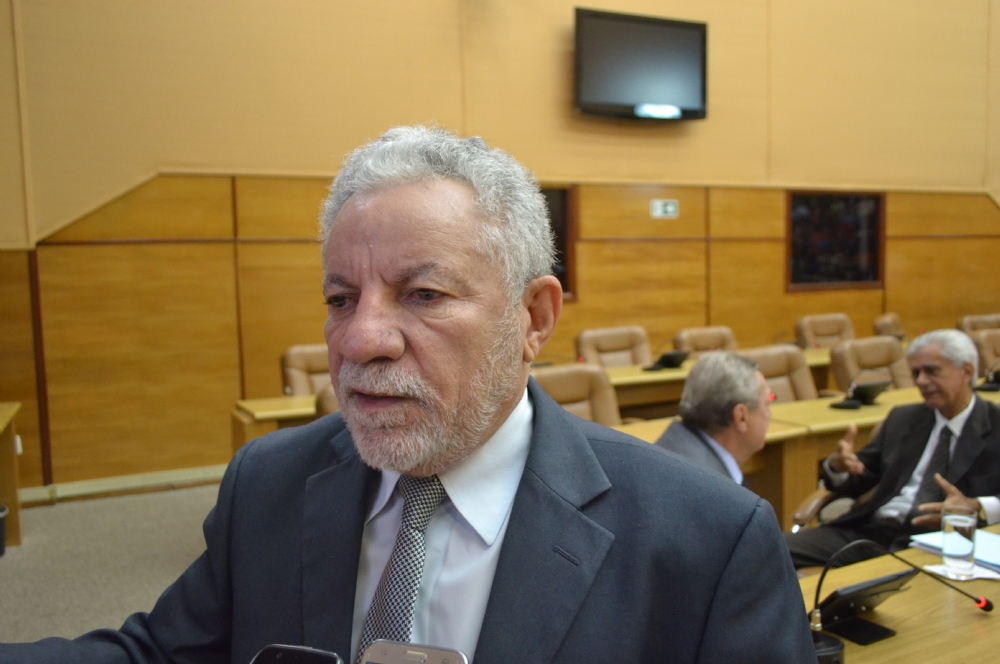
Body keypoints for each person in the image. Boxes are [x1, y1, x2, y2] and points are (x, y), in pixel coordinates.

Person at [2, 127, 814, 663]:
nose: (361, 339)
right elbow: (161, 654)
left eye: (422, 294)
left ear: (534, 317)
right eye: (339, 298)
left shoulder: (703, 542)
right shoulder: (269, 484)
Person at [784, 329, 1000, 568]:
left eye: (932, 371)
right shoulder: (903, 419)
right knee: (769, 549)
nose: (921, 382)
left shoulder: (996, 425)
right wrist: (838, 468)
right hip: (871, 532)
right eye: (916, 373)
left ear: (967, 371)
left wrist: (978, 507)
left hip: (938, 541)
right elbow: (860, 477)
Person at [655, 352, 772, 485]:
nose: (769, 414)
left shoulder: (670, 444)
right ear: (741, 418)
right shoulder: (713, 488)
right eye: (767, 404)